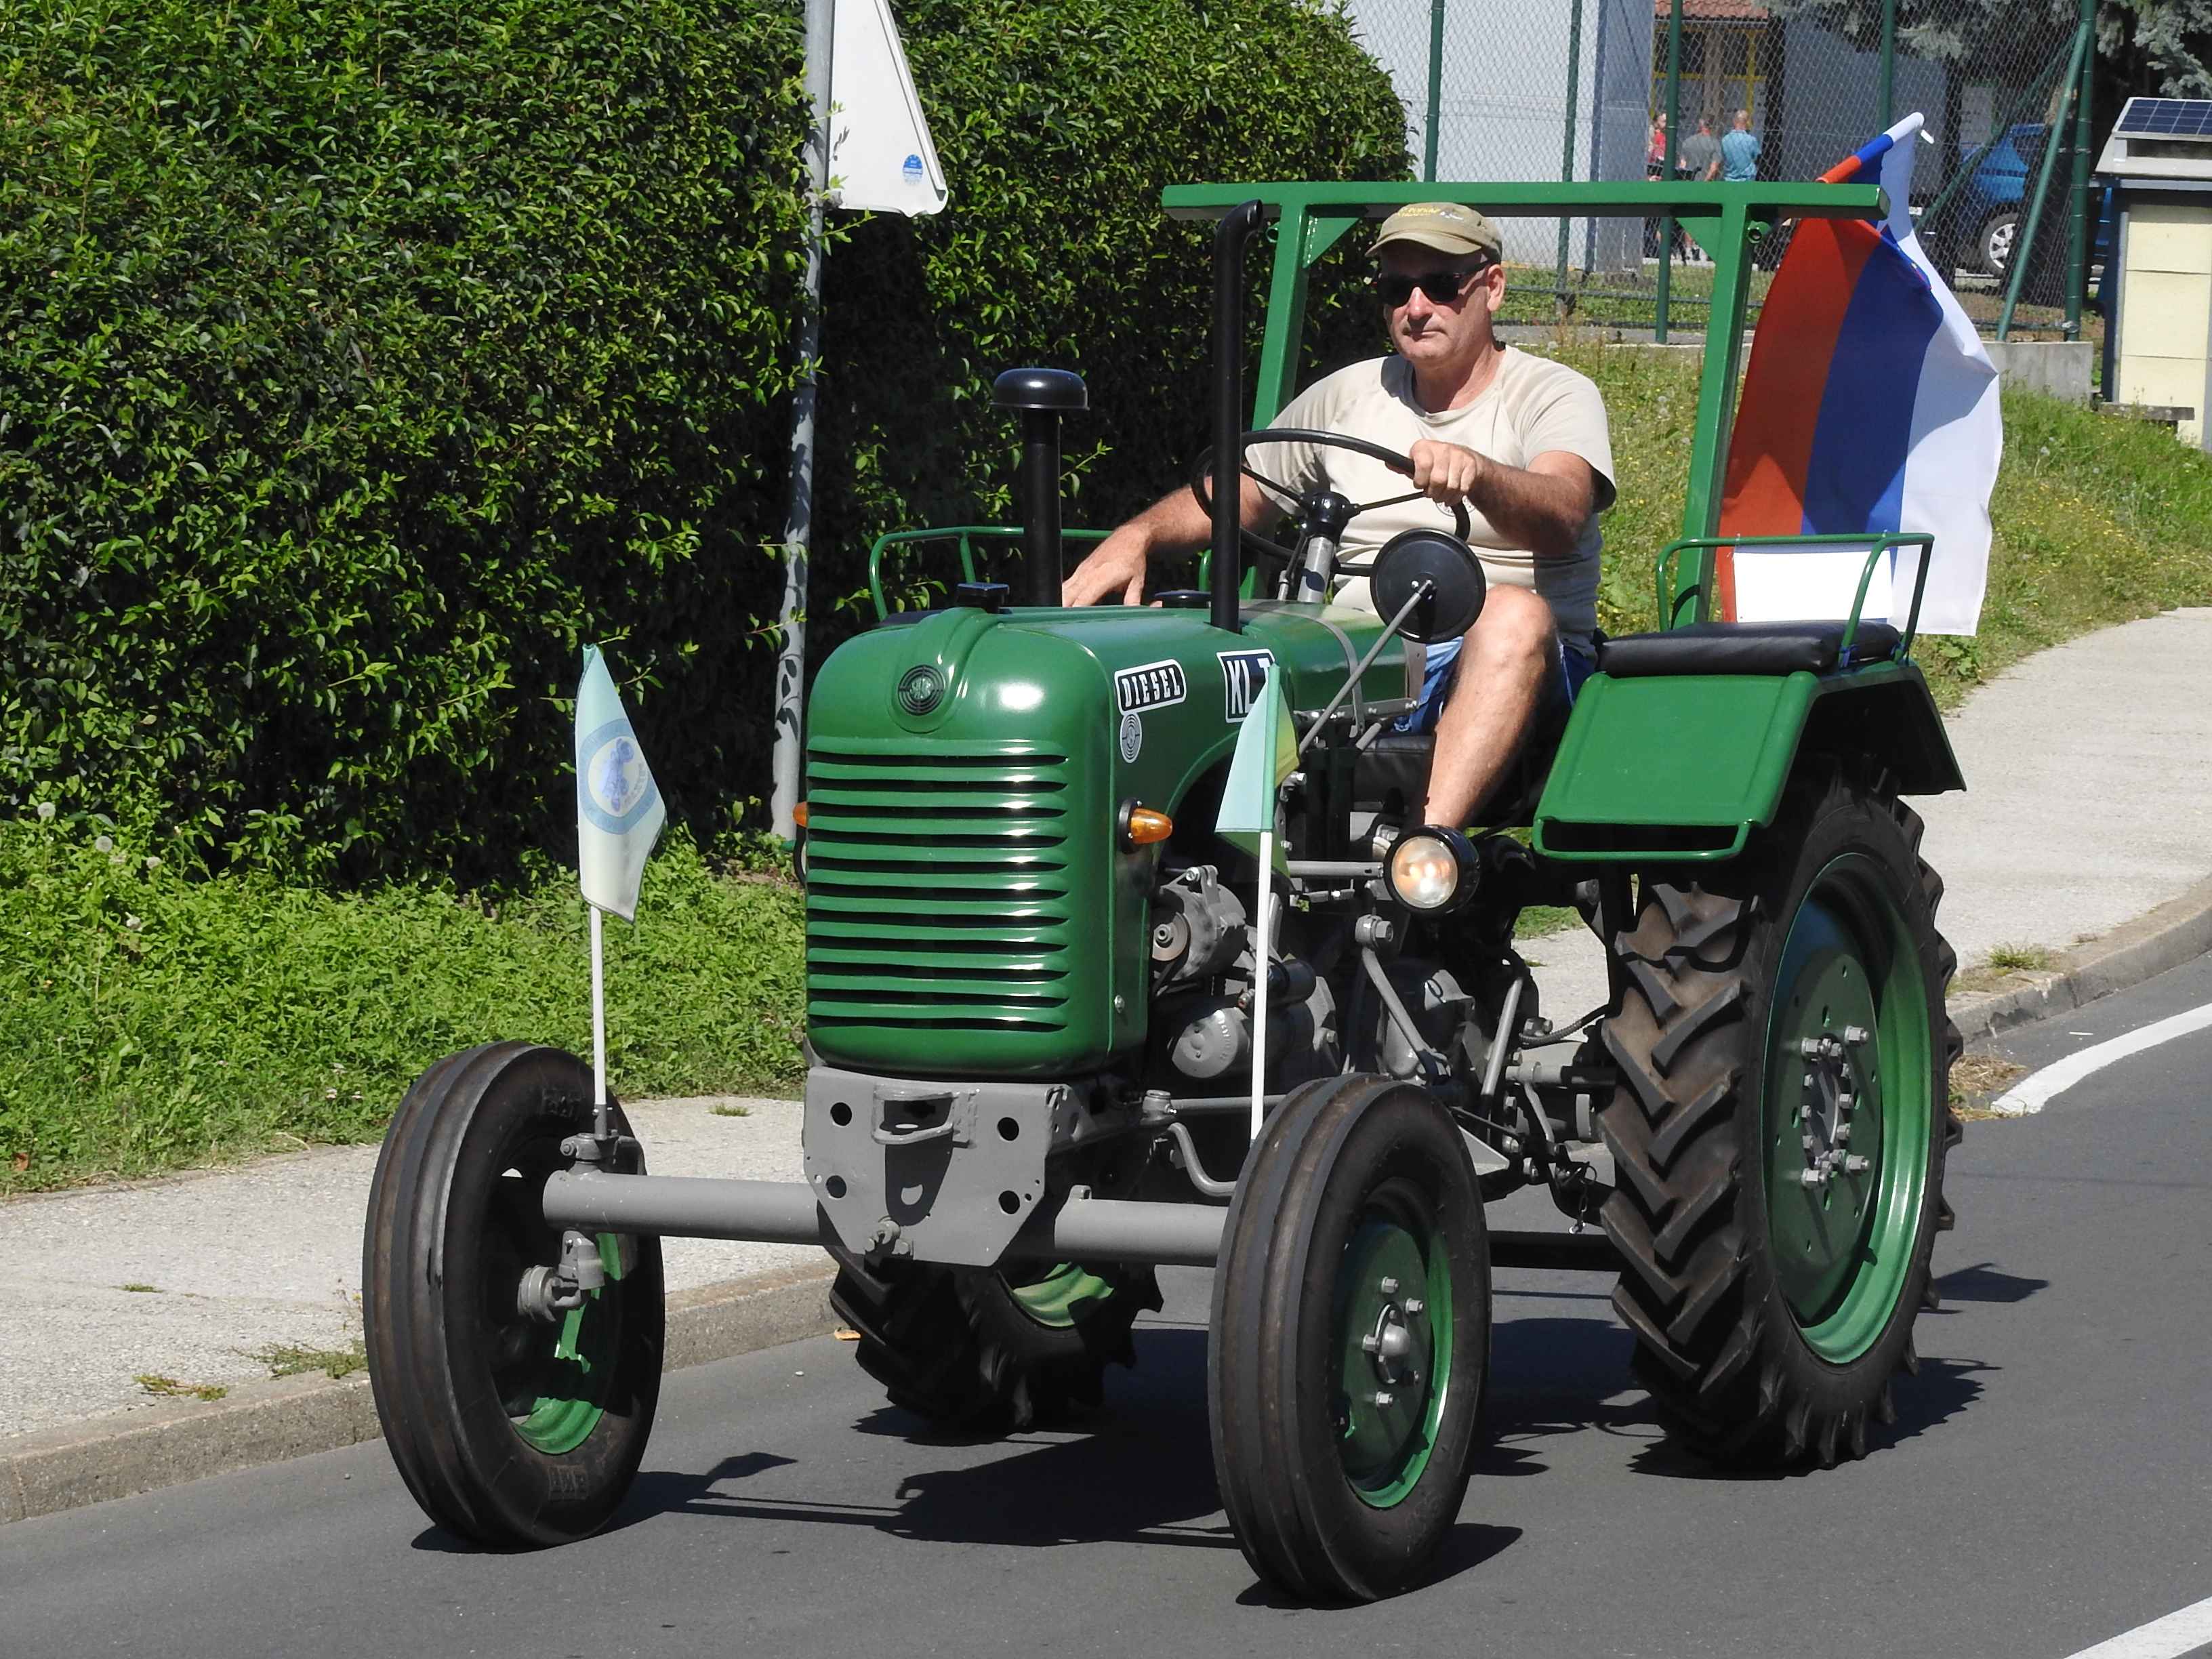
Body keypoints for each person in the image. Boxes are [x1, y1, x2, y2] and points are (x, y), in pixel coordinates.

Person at [1061, 203, 1615, 834]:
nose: (1415, 306)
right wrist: (1139, 536)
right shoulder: (1351, 393)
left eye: (1438, 285)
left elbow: (1563, 509)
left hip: (1524, 669)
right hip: (1355, 656)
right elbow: (1245, 490)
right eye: (1394, 288)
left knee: (1514, 614)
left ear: (1491, 287)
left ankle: (1419, 858)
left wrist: (1481, 475)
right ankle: (1168, 860)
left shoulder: (1551, 394)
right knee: (1175, 645)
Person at [1719, 108, 1761, 183]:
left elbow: (1724, 158)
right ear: (1747, 122)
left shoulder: (1725, 140)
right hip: (1748, 180)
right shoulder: (1751, 140)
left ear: (1734, 121)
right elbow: (1757, 158)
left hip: (1729, 180)